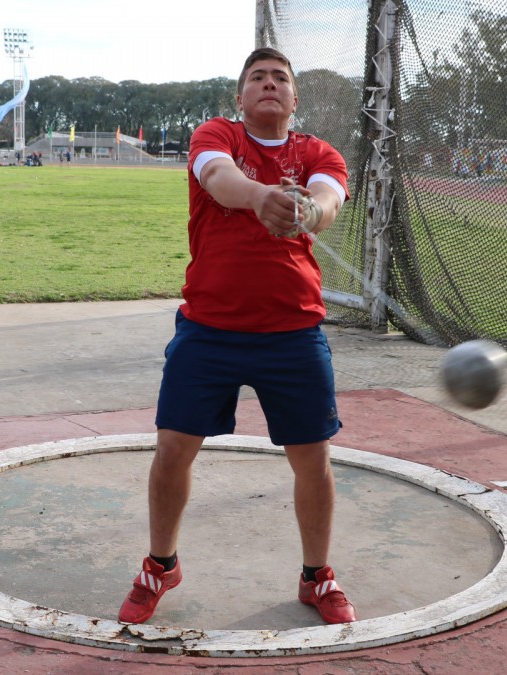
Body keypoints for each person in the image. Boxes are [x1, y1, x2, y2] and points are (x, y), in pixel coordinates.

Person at [117, 47, 355, 626]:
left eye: (280, 78)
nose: (269, 84)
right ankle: (161, 565)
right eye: (258, 77)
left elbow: (328, 200)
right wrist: (260, 196)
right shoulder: (216, 135)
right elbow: (220, 179)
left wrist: (305, 212)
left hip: (293, 331)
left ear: (294, 98)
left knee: (313, 459)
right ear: (241, 96)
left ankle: (316, 576)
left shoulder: (318, 153)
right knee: (173, 449)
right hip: (209, 328)